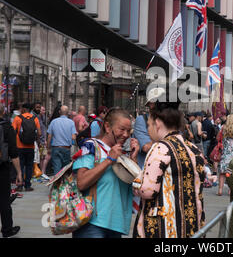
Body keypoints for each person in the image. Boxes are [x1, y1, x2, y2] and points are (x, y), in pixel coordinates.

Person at [133, 101, 205, 238]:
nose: (148, 130)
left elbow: (147, 191)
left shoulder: (160, 148)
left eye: (149, 125)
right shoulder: (194, 149)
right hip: (191, 225)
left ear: (158, 123)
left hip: (164, 227)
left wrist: (136, 182)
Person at [72, 108, 139, 238]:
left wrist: (133, 159)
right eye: (122, 129)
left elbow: (134, 187)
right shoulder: (91, 147)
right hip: (93, 223)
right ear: (108, 127)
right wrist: (109, 160)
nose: (126, 135)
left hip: (115, 225)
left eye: (129, 131)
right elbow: (81, 182)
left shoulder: (122, 154)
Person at [0, 104, 22, 237]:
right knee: (4, 200)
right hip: (2, 168)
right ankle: (7, 229)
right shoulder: (7, 127)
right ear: (3, 112)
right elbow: (13, 153)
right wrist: (19, 172)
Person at [12, 103, 41, 192]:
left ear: (24, 109)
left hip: (19, 146)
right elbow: (39, 133)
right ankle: (28, 185)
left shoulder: (18, 118)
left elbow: (12, 131)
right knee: (29, 166)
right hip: (30, 146)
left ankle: (20, 185)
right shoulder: (35, 118)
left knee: (20, 166)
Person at [133, 88, 165, 169]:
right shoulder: (142, 120)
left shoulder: (168, 121)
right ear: (150, 104)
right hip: (147, 170)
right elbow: (146, 148)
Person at [47, 106, 77, 175]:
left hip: (56, 148)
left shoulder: (53, 121)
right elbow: (73, 137)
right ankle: (63, 184)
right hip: (66, 148)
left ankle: (56, 184)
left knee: (56, 169)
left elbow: (49, 136)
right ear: (68, 113)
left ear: (59, 112)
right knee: (65, 170)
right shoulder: (71, 122)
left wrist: (48, 148)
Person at [218, 114, 233, 196]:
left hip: (225, 151)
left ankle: (220, 189)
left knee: (222, 172)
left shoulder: (223, 128)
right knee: (230, 172)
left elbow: (218, 138)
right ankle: (230, 190)